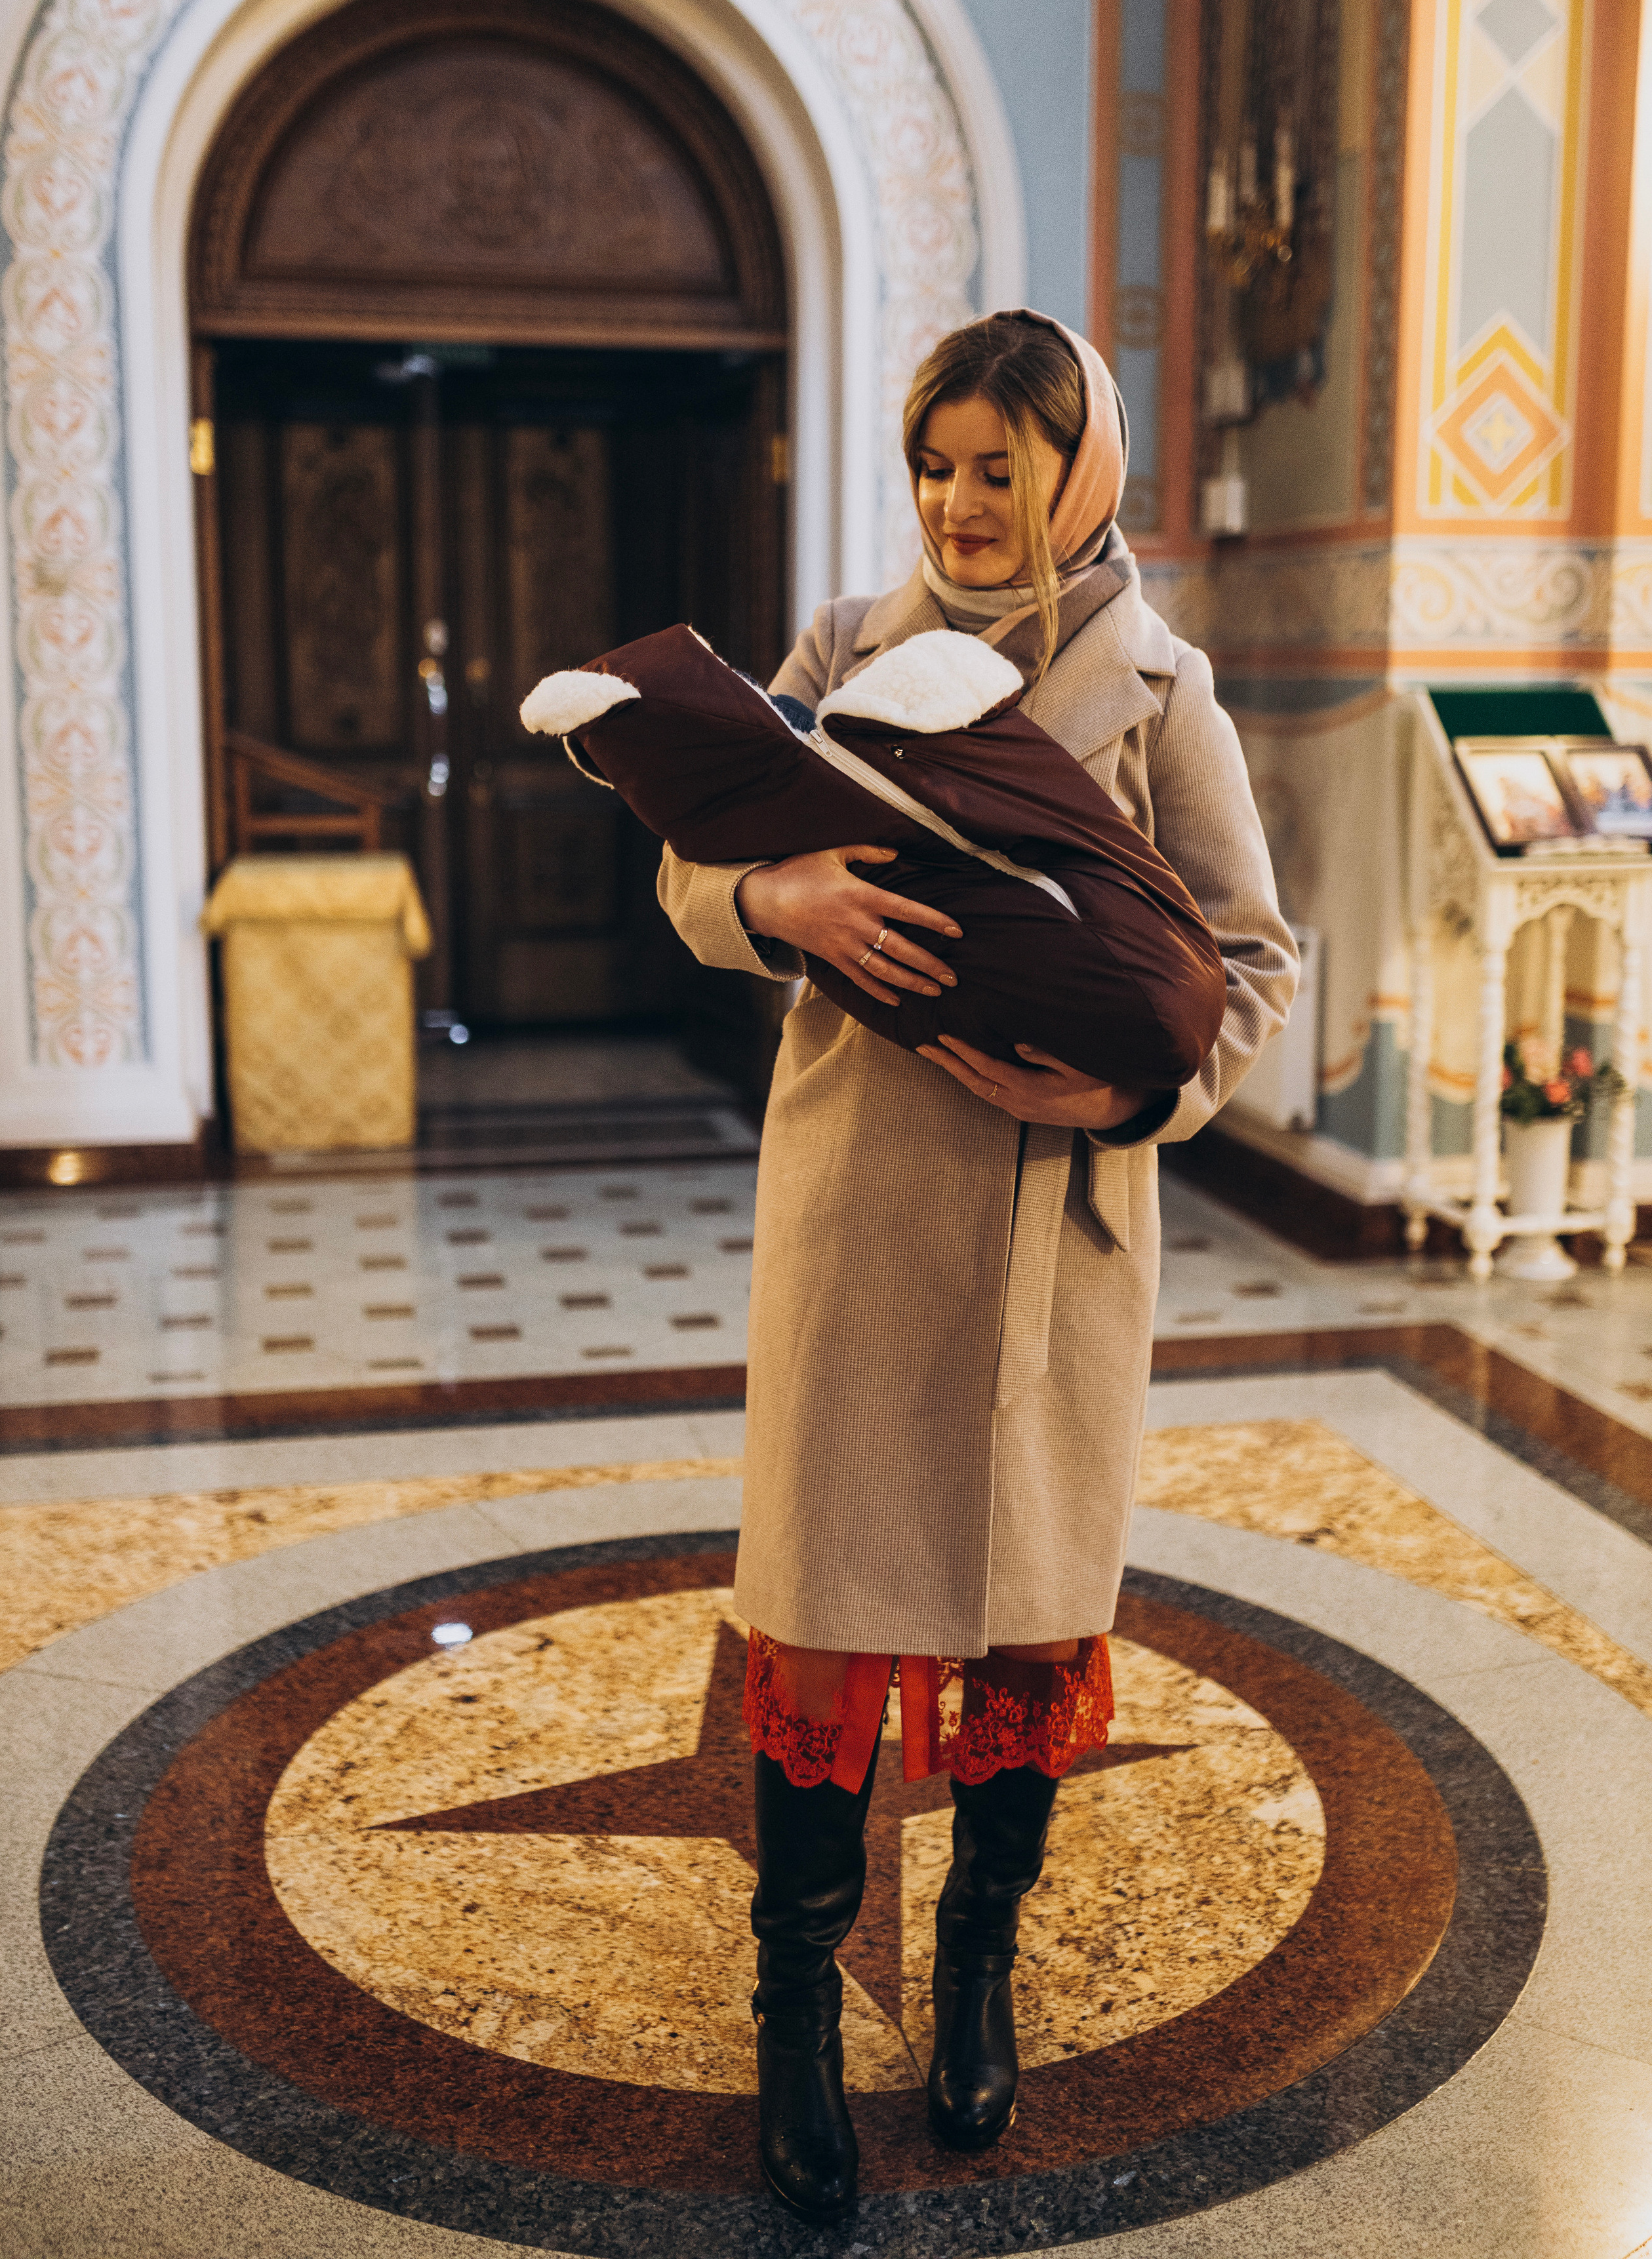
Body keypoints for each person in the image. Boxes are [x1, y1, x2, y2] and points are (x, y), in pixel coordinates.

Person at [657, 310, 1298, 2216]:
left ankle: (981, 1977)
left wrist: (1124, 1103)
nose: (960, 504)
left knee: (1027, 1613)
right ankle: (794, 2007)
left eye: (997, 471)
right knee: (830, 1612)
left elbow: (1256, 967)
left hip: (1054, 1230)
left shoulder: (1159, 691)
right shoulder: (845, 654)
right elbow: (695, 849)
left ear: (1075, 473)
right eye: (935, 466)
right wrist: (770, 898)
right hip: (861, 1216)